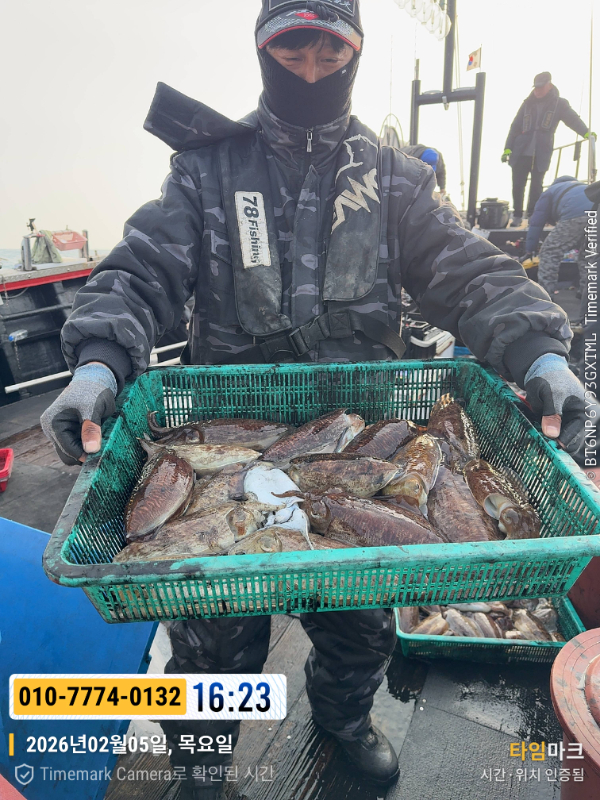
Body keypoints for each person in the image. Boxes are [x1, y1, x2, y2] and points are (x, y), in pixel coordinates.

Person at [41, 2, 586, 797]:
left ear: (354, 53)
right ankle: (204, 760)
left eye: (330, 55)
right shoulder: (205, 172)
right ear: (263, 51)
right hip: (229, 444)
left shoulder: (397, 180)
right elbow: (141, 270)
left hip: (357, 438)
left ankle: (343, 719)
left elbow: (471, 273)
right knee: (211, 638)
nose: (310, 71)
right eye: (291, 53)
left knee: (360, 624)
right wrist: (96, 364)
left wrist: (542, 354)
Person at [502, 71, 592, 227]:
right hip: (520, 152)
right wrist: (507, 148)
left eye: (541, 87)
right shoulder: (527, 103)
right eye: (536, 87)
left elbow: (572, 119)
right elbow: (515, 126)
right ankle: (517, 215)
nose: (537, 91)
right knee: (517, 184)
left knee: (536, 186)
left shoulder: (559, 104)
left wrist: (586, 132)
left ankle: (532, 216)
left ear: (549, 86)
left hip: (541, 153)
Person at [522, 176, 594, 297]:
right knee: (588, 255)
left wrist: (529, 250)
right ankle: (587, 294)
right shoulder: (583, 187)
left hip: (575, 217)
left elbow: (536, 223)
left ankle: (545, 295)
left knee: (549, 252)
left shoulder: (550, 191)